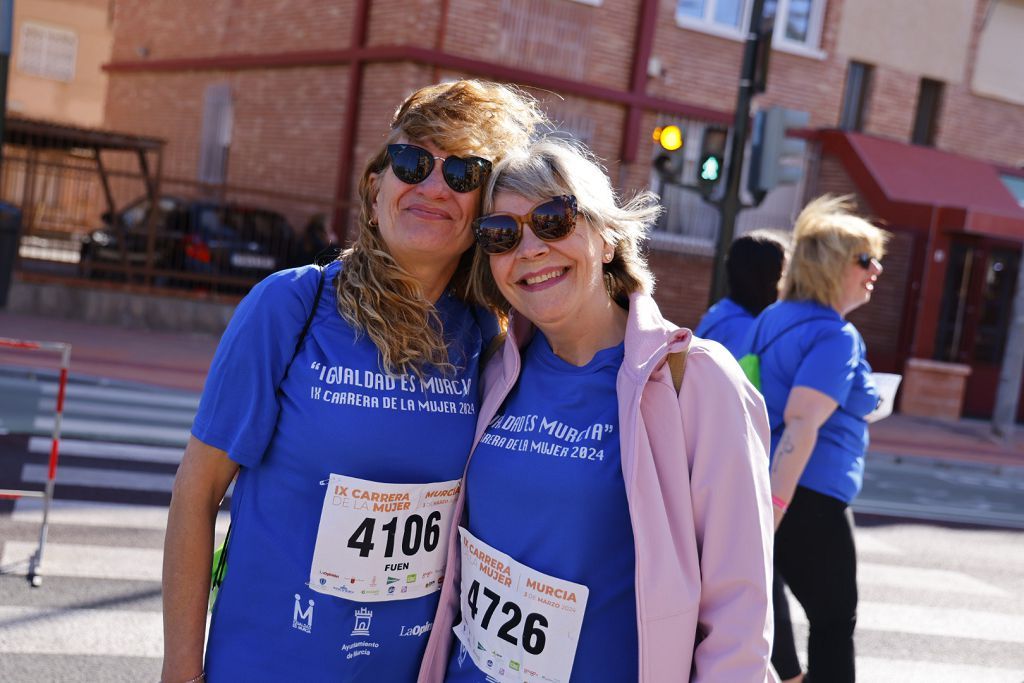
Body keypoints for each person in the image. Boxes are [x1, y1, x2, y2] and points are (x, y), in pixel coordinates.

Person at [161, 79, 547, 683]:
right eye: (412, 161)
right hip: (264, 664)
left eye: (464, 173)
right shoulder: (291, 306)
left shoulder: (490, 339)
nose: (432, 186)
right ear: (375, 189)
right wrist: (180, 669)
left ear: (482, 215)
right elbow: (197, 490)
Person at [417, 137, 775, 683]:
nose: (529, 248)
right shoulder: (493, 371)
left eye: (554, 220)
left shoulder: (694, 380)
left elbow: (739, 615)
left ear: (607, 237)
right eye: (501, 235)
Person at [740, 196, 888, 683]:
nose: (876, 269)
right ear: (830, 266)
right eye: (864, 260)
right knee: (832, 623)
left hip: (774, 486)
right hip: (808, 494)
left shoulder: (772, 319)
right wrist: (775, 510)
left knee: (784, 605)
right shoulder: (835, 336)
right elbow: (803, 423)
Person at [695, 229, 789, 357]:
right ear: (767, 277)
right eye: (783, 274)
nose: (786, 283)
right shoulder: (744, 329)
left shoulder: (721, 310)